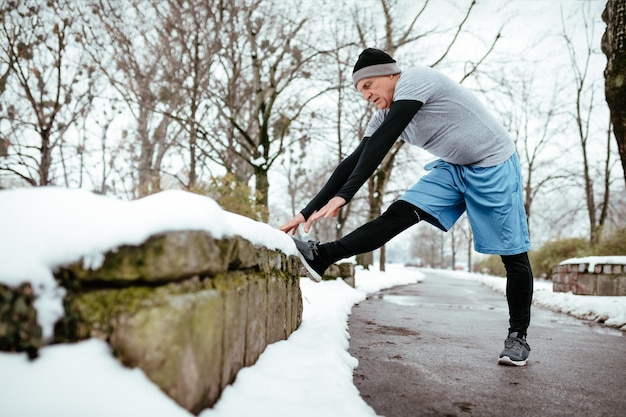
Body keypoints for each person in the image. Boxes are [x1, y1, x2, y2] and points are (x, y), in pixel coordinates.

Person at [279, 48, 534, 367]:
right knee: (398, 214)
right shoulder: (384, 114)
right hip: (454, 167)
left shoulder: (416, 79)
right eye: (361, 91)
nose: (367, 95)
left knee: (513, 253)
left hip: (493, 163)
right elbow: (354, 161)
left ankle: (518, 337)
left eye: (369, 85)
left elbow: (383, 142)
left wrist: (345, 196)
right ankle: (323, 256)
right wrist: (305, 212)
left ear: (391, 74)